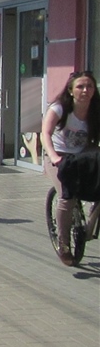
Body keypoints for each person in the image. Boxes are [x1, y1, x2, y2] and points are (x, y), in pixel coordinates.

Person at [41, 71, 99, 266]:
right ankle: (63, 243)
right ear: (71, 90)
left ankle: (89, 228)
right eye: (80, 86)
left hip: (84, 155)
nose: (85, 90)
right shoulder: (60, 108)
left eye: (89, 86)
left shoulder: (96, 109)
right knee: (67, 197)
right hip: (59, 156)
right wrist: (54, 156)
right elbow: (45, 133)